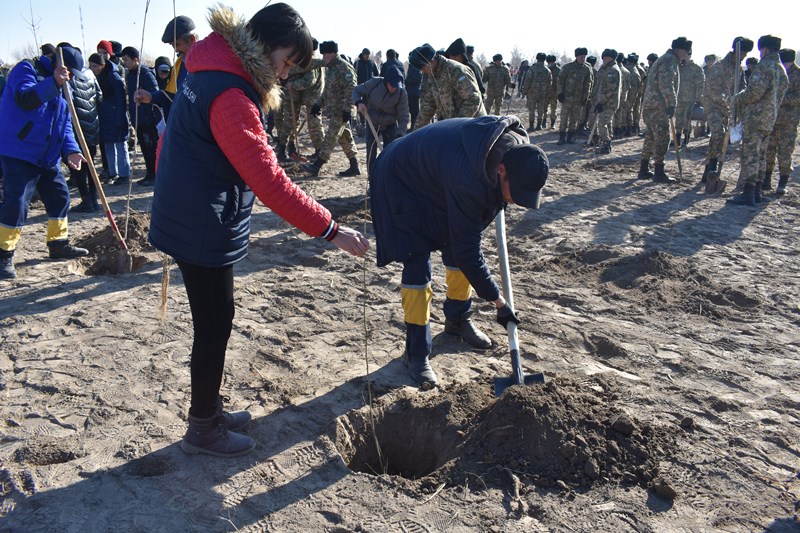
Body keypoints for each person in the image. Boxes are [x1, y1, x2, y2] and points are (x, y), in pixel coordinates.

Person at [149, 3, 369, 457]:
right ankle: (202, 429)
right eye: (286, 61)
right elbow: (269, 181)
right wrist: (331, 229)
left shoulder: (206, 63)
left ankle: (208, 407)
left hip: (191, 206)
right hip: (201, 219)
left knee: (215, 319)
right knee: (214, 324)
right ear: (265, 43)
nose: (285, 75)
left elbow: (171, 138)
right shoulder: (232, 95)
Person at [370, 115, 548, 389]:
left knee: (456, 248)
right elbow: (470, 253)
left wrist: (504, 196)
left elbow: (465, 245)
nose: (516, 201)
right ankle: (416, 354)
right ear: (501, 170)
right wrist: (499, 303)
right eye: (516, 193)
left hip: (437, 176)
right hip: (399, 178)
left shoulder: (520, 153)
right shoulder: (469, 178)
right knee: (417, 260)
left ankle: (457, 321)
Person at [0, 46, 89, 279]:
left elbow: (65, 123)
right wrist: (54, 83)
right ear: (60, 67)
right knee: (17, 203)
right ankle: (4, 255)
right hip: (19, 151)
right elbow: (26, 99)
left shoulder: (62, 86)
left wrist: (71, 150)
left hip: (47, 156)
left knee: (60, 195)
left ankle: (58, 244)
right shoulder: (25, 69)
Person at [728, 35, 789, 206]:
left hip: (756, 119)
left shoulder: (765, 67)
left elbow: (753, 93)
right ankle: (757, 192)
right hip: (770, 120)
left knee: (750, 155)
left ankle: (748, 193)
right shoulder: (781, 69)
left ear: (765, 49)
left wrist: (736, 98)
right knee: (762, 155)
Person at [637, 37, 691, 183]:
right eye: (685, 51)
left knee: (650, 136)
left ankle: (643, 169)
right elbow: (666, 84)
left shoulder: (663, 59)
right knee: (662, 137)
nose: (685, 55)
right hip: (658, 106)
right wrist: (671, 104)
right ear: (679, 49)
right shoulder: (669, 60)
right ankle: (658, 171)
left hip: (650, 105)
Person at [303, 40, 360, 177]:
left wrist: (347, 109)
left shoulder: (343, 68)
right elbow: (328, 92)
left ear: (333, 53)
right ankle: (354, 166)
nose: (323, 58)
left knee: (330, 137)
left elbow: (351, 89)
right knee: (345, 138)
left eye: (325, 55)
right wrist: (318, 105)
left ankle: (317, 166)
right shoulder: (331, 69)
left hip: (341, 111)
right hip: (334, 110)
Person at [703, 37, 753, 187]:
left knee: (723, 137)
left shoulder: (739, 69)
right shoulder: (720, 67)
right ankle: (713, 166)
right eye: (743, 53)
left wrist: (738, 101)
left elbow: (742, 87)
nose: (744, 56)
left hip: (728, 107)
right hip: (714, 106)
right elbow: (711, 89)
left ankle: (709, 170)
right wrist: (728, 101)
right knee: (718, 132)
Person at [133, 16, 198, 124]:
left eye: (177, 44)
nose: (176, 50)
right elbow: (171, 97)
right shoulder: (179, 64)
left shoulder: (208, 65)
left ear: (192, 39)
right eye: (173, 46)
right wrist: (151, 97)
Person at [61, 46, 102, 214]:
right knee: (91, 164)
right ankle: (94, 199)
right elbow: (99, 96)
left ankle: (86, 201)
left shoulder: (67, 79)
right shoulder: (90, 74)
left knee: (77, 167)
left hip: (77, 128)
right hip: (92, 125)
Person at [410, 44, 485, 128]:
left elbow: (473, 99)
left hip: (474, 126)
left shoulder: (456, 71)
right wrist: (416, 131)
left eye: (423, 68)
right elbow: (429, 105)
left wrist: (456, 125)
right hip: (455, 128)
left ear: (431, 61)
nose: (423, 71)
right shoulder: (433, 76)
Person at [353, 65, 409, 175]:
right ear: (386, 81)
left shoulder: (402, 93)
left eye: (396, 86)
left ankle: (388, 180)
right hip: (372, 121)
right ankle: (372, 180)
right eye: (391, 85)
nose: (394, 88)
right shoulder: (375, 83)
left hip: (389, 124)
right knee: (371, 153)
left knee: (390, 154)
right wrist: (358, 102)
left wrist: (399, 135)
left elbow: (404, 116)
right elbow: (356, 91)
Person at [89, 53, 131, 187]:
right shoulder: (95, 77)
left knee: (120, 144)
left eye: (94, 66)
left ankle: (124, 174)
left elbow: (121, 100)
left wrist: (120, 118)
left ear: (102, 65)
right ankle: (113, 172)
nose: (92, 69)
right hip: (103, 116)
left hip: (116, 115)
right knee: (108, 145)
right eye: (90, 66)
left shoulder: (114, 77)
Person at [120, 46, 159, 187]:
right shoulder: (131, 74)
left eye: (126, 59)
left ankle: (154, 175)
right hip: (137, 118)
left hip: (147, 118)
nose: (124, 62)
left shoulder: (145, 74)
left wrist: (144, 98)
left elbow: (155, 94)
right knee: (144, 147)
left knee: (151, 147)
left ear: (135, 59)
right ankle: (149, 173)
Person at [765, 48, 799, 196]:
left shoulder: (798, 74)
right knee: (769, 150)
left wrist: (780, 98)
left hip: (789, 122)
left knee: (785, 152)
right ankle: (766, 181)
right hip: (773, 119)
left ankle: (782, 183)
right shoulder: (777, 72)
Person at [556, 47, 592, 145]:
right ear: (576, 56)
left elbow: (588, 84)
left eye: (584, 57)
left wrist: (586, 97)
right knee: (564, 118)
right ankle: (562, 138)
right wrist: (560, 93)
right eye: (581, 56)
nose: (583, 58)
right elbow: (560, 80)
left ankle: (570, 138)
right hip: (567, 98)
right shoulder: (567, 67)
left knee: (574, 119)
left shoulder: (587, 69)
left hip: (578, 99)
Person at [590, 49, 622, 155]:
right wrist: (595, 99)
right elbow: (597, 85)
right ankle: (602, 141)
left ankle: (606, 143)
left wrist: (601, 102)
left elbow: (610, 89)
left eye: (604, 57)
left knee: (602, 123)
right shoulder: (604, 69)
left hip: (609, 103)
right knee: (606, 123)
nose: (603, 59)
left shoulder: (612, 70)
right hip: (600, 101)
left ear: (609, 58)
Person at [675, 49, 705, 147]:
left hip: (690, 99)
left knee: (686, 119)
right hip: (678, 98)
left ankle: (686, 139)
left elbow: (701, 85)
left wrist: (698, 99)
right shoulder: (679, 67)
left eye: (686, 55)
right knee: (678, 119)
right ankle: (677, 138)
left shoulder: (696, 69)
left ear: (689, 55)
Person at [522, 52, 552, 132]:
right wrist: (548, 94)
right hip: (543, 93)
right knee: (541, 109)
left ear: (537, 59)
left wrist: (524, 92)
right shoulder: (547, 70)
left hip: (532, 93)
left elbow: (528, 81)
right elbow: (550, 83)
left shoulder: (532, 69)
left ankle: (531, 126)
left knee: (531, 109)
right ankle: (539, 125)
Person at [545, 55, 560, 128]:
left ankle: (552, 123)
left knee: (553, 109)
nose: (550, 63)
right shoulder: (545, 69)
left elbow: (560, 82)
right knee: (544, 108)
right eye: (549, 62)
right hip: (545, 93)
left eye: (551, 62)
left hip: (554, 93)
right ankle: (543, 122)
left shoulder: (558, 70)